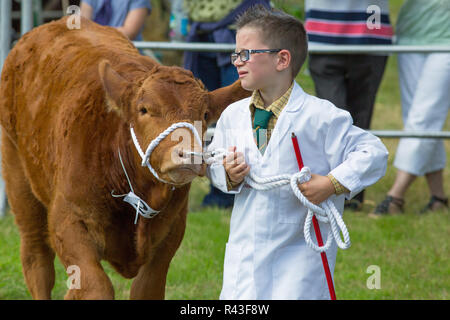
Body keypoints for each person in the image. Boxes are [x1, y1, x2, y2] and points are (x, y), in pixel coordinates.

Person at [206, 5, 388, 299]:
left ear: (282, 59)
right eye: (234, 54)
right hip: (245, 251)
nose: (237, 61)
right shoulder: (233, 115)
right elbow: (213, 159)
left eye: (246, 54)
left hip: (299, 256)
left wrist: (332, 183)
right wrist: (225, 173)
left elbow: (373, 152)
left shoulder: (321, 117)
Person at [304, 0, 393, 211]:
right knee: (334, 123)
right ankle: (336, 191)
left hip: (371, 34)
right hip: (322, 34)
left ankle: (351, 195)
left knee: (360, 120)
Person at [183, 0, 271, 208]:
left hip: (241, 25)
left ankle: (258, 180)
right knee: (200, 115)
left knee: (246, 112)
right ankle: (218, 187)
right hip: (201, 31)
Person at [373, 0, 450, 215]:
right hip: (411, 33)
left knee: (425, 115)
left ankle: (395, 197)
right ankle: (439, 198)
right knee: (416, 117)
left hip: (446, 38)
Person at [80, 0, 151, 41]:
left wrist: (93, 32)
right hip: (93, 52)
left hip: (125, 56)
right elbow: (83, 26)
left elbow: (129, 33)